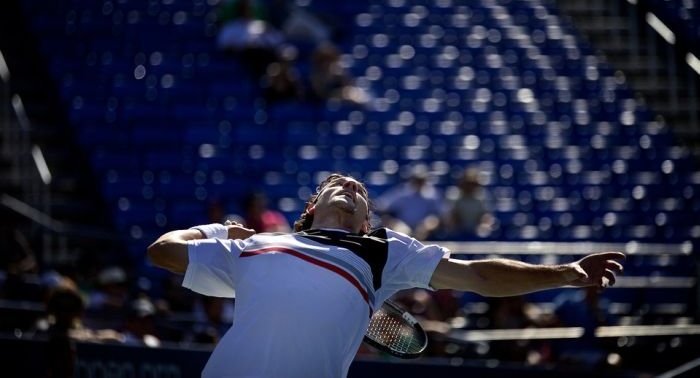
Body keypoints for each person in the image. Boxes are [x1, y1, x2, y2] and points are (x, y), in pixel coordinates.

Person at [147, 172, 625, 378]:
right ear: (312, 206)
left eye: (362, 195)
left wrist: (565, 273)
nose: (352, 187)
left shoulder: (383, 250)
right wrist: (217, 230)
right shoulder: (252, 246)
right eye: (339, 185)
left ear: (366, 222)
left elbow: (477, 276)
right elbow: (163, 252)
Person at [374, 163, 445, 239]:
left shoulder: (432, 194)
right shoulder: (403, 192)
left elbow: (440, 214)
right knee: (402, 230)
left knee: (431, 221)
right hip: (404, 226)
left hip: (423, 227)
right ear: (412, 179)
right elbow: (383, 206)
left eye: (421, 180)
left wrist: (428, 224)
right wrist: (391, 220)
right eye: (417, 180)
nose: (418, 183)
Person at [442, 167, 494, 239]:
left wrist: (483, 225)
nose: (470, 187)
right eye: (468, 183)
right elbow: (450, 217)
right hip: (458, 231)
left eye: (473, 184)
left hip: (477, 231)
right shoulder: (454, 195)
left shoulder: (482, 197)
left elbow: (486, 216)